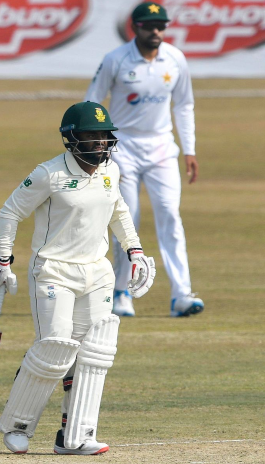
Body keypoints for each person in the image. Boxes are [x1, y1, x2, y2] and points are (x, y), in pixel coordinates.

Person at [0, 102, 156, 455]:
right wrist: (3, 259)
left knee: (91, 354)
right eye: (91, 137)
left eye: (103, 137)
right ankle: (18, 426)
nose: (99, 144)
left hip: (97, 272)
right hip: (53, 271)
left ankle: (74, 435)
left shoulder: (112, 171)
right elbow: (11, 210)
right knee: (55, 349)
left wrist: (134, 250)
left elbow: (119, 210)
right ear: (72, 138)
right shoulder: (49, 173)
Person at [85, 1, 203, 318]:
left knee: (170, 216)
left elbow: (184, 105)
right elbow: (92, 100)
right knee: (127, 220)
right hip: (122, 147)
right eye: (150, 26)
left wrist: (189, 149)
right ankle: (122, 291)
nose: (156, 31)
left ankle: (181, 294)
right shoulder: (116, 59)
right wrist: (96, 146)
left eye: (161, 26)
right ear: (135, 27)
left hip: (163, 147)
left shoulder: (175, 58)